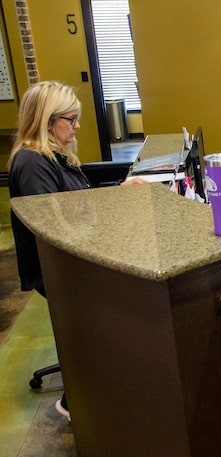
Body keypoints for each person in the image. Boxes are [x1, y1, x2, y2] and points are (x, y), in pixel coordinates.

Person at [8, 81, 143, 421]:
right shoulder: (33, 164)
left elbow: (76, 204)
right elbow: (55, 228)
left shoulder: (54, 156)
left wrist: (118, 192)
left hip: (73, 260)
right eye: (71, 118)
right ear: (47, 120)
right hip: (58, 270)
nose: (78, 125)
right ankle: (77, 402)